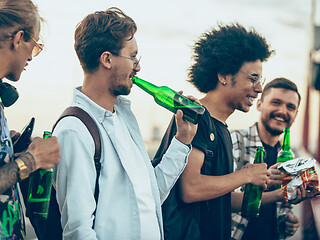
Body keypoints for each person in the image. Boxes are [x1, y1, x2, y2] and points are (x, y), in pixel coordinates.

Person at [52, 7, 197, 240]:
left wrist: (182, 141)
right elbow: (78, 232)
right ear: (107, 59)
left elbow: (150, 196)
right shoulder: (75, 130)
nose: (137, 67)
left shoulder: (123, 119)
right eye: (132, 56)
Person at [159, 23, 274, 240]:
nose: (259, 89)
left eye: (261, 80)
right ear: (223, 75)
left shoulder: (220, 128)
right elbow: (191, 189)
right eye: (253, 78)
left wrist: (277, 192)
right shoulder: (195, 119)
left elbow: (219, 199)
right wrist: (245, 175)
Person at [0, 0, 60, 239]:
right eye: (35, 47)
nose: (32, 58)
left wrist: (4, 152)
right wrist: (31, 160)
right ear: (18, 38)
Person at [231, 78, 306, 240]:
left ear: (296, 114)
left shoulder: (292, 157)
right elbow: (222, 200)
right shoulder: (236, 140)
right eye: (276, 102)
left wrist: (287, 221)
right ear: (259, 104)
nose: (283, 111)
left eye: (290, 107)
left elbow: (284, 207)